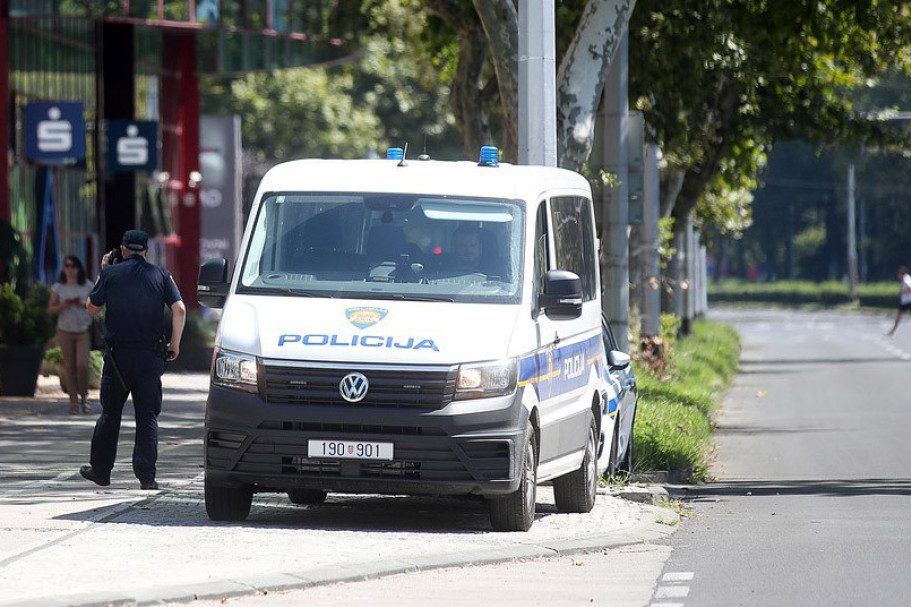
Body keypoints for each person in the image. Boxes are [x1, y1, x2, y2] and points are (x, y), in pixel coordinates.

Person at [79, 230, 186, 491]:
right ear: (146, 251)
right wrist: (175, 343)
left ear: (123, 250)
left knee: (110, 412)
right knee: (147, 416)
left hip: (118, 357)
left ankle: (102, 471)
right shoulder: (160, 275)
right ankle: (147, 477)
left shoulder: (110, 274)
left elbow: (91, 309)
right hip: (150, 357)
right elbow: (180, 309)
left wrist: (103, 272)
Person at [47, 255, 93, 415]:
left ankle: (84, 397)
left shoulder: (87, 285)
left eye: (73, 266)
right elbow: (50, 309)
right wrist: (63, 305)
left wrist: (83, 303)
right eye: (67, 266)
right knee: (70, 366)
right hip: (65, 330)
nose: (70, 269)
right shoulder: (59, 287)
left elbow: (96, 307)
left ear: (79, 268)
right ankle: (73, 402)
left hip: (82, 330)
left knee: (82, 365)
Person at [887, 265, 911, 336]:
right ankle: (893, 330)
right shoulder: (906, 278)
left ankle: (893, 330)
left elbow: (910, 288)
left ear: (902, 273)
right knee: (899, 315)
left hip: (908, 301)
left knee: (899, 316)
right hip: (905, 301)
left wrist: (903, 293)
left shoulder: (906, 279)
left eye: (899, 274)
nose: (898, 275)